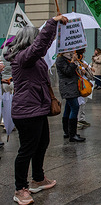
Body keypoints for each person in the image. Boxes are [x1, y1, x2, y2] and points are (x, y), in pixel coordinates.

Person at [4, 14, 68, 205]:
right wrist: (52, 22)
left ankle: (38, 179)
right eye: (36, 37)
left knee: (42, 143)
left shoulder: (32, 57)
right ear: (29, 41)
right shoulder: (22, 58)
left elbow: (44, 45)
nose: (38, 41)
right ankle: (20, 188)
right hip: (26, 111)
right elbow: (40, 46)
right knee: (27, 150)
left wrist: (54, 30)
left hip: (37, 108)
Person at [56, 49, 86, 143]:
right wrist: (73, 61)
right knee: (75, 107)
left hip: (72, 86)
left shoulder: (67, 59)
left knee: (68, 108)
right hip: (67, 86)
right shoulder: (61, 59)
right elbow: (68, 71)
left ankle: (68, 132)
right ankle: (72, 134)